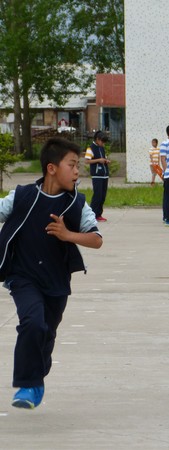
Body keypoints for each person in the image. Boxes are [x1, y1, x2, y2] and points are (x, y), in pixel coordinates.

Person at [0, 137, 103, 409]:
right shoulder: (22, 196)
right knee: (33, 323)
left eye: (78, 166)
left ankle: (37, 376)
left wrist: (68, 235)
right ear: (52, 168)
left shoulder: (76, 204)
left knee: (46, 333)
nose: (77, 171)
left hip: (56, 283)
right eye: (72, 165)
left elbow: (96, 240)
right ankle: (27, 385)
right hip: (23, 277)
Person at [84, 131, 110, 222]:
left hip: (104, 175)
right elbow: (87, 161)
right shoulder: (90, 148)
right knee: (97, 196)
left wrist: (106, 161)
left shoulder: (101, 148)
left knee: (102, 196)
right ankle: (92, 215)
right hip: (97, 175)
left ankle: (99, 214)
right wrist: (99, 160)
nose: (103, 144)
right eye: (102, 142)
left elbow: (103, 158)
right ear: (97, 139)